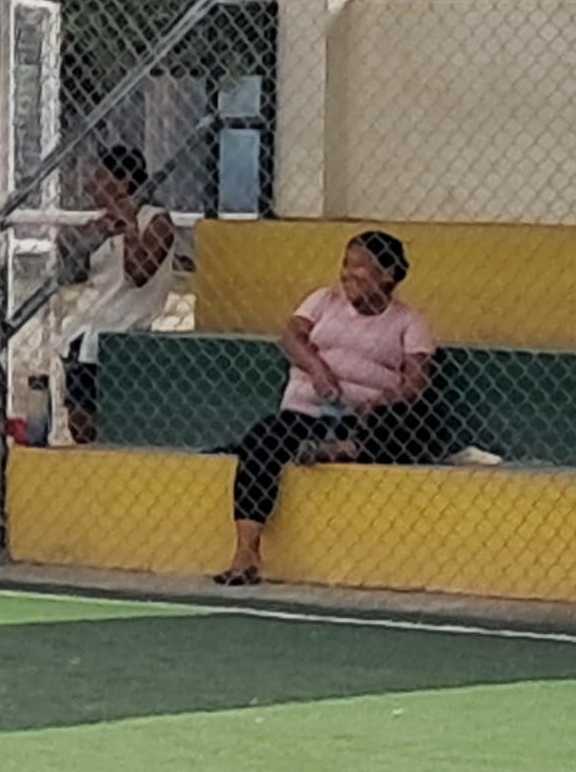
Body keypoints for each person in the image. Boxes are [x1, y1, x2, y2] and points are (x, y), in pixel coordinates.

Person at [214, 230, 454, 588]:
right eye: (345, 265)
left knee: (416, 423)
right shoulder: (323, 300)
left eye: (359, 267)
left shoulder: (408, 321)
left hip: (364, 420)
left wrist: (382, 400)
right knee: (260, 443)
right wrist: (317, 369)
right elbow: (292, 335)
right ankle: (246, 553)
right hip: (306, 414)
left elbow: (416, 381)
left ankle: (343, 449)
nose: (346, 275)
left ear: (387, 274)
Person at [53, 145, 183, 445]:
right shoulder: (101, 222)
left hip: (125, 334)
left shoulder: (156, 222)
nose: (91, 185)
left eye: (101, 177)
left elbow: (138, 273)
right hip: (85, 332)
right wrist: (92, 233)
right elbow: (73, 270)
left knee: (118, 425)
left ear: (123, 182)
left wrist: (128, 227)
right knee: (80, 423)